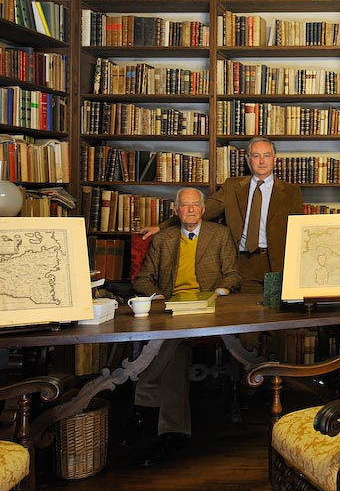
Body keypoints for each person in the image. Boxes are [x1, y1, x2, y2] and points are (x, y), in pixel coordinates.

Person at [127, 186, 241, 467]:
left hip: (206, 309)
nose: (190, 210)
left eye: (195, 205)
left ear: (203, 209)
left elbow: (232, 275)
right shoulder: (164, 239)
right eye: (184, 206)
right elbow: (142, 279)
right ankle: (172, 431)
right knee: (173, 347)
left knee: (168, 343)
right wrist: (157, 296)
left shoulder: (220, 234)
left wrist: (219, 293)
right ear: (176, 211)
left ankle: (145, 405)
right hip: (171, 310)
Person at [141, 136, 304, 293]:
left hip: (277, 263)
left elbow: (299, 233)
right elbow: (199, 211)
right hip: (242, 262)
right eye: (256, 156)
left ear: (275, 159)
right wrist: (161, 227)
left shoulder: (291, 192)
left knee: (276, 313)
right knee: (246, 312)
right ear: (248, 160)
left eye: (266, 155)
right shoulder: (232, 187)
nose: (261, 161)